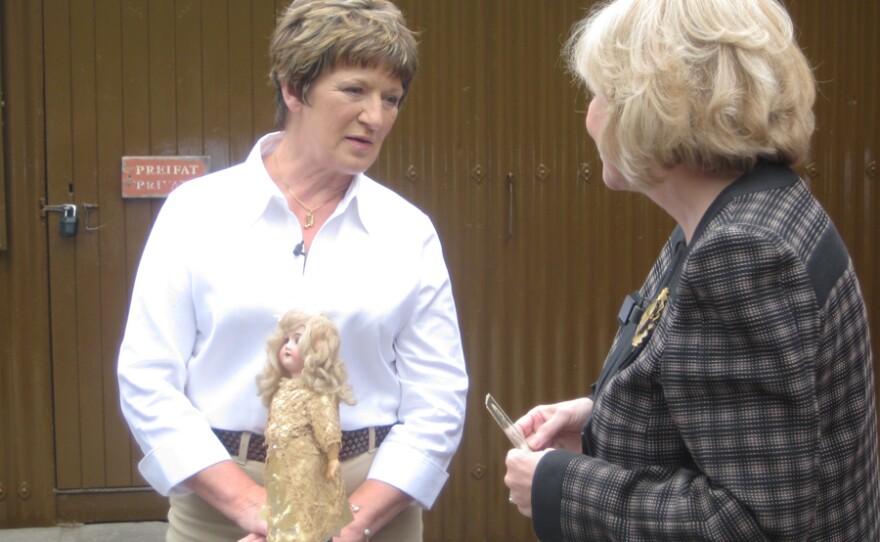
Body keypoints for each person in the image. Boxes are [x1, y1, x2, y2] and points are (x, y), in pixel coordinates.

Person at [503, 0, 880, 540]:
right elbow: (725, 413)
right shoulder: (743, 212)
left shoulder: (742, 253)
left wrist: (560, 487)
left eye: (603, 95)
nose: (590, 114)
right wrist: (597, 420)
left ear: (652, 110)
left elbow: (752, 524)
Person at [117, 1, 469, 541]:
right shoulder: (196, 212)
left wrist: (354, 524)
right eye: (354, 90)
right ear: (292, 88)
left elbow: (439, 397)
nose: (375, 117)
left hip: (370, 502)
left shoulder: (407, 231)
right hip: (221, 504)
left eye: (391, 99)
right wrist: (253, 506)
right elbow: (146, 379)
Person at [255, 311, 356, 542]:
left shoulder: (317, 393)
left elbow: (327, 424)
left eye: (297, 340)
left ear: (316, 350)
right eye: (286, 340)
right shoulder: (285, 386)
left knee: (305, 505)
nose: (288, 346)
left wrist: (332, 458)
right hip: (282, 461)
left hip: (305, 462)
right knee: (283, 504)